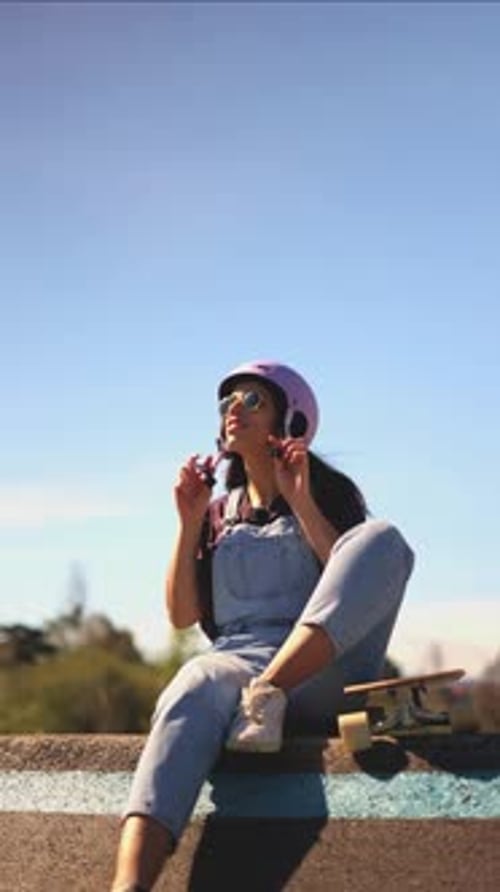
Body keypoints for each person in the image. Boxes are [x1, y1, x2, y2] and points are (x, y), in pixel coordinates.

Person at [110, 359, 414, 892]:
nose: (235, 409)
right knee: (194, 680)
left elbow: (343, 581)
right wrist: (188, 523)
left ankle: (269, 692)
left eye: (254, 400)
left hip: (326, 668)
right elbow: (183, 615)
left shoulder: (327, 493)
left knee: (382, 538)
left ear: (290, 420)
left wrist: (300, 501)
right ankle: (129, 884)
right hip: (238, 670)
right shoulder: (215, 512)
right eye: (229, 401)